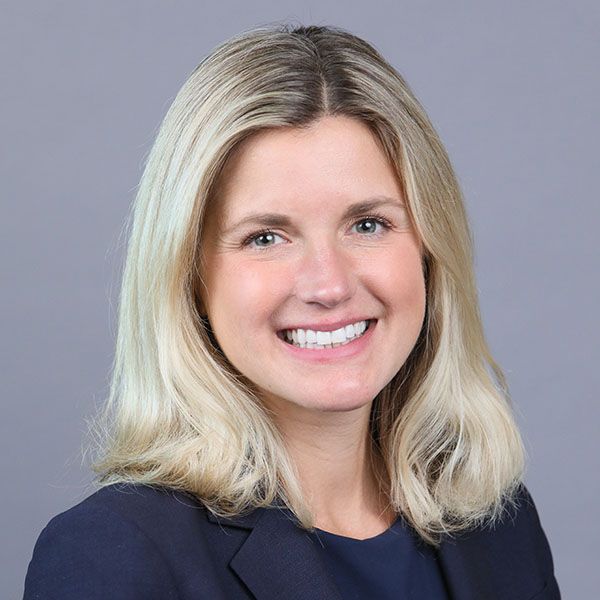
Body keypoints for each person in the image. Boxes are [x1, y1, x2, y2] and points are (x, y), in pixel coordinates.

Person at [23, 24, 560, 599]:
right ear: (189, 277)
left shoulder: (497, 526)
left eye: (368, 225)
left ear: (430, 252)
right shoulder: (114, 556)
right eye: (266, 238)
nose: (328, 285)